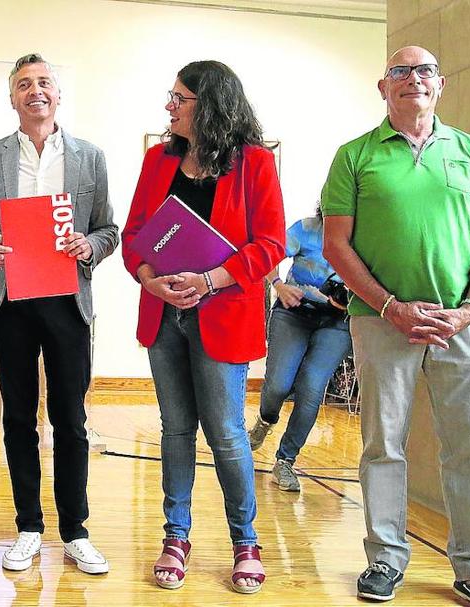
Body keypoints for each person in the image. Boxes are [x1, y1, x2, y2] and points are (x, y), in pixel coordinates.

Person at [322, 46, 470, 605]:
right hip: (381, 321)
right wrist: (390, 306)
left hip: (461, 323)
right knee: (382, 444)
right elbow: (336, 244)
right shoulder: (354, 156)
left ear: (440, 84)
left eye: (424, 71)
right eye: (400, 71)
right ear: (383, 87)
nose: (413, 79)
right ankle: (386, 559)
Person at [122, 60, 285, 593]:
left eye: (179, 98)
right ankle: (176, 536)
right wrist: (149, 279)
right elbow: (134, 235)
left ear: (209, 104)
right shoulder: (156, 160)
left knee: (226, 435)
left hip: (223, 316)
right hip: (165, 316)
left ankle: (245, 541)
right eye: (170, 97)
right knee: (174, 430)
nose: (169, 106)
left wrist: (212, 279)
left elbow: (270, 245)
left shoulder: (255, 163)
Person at [0, 53, 118, 575]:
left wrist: (90, 246)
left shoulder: (89, 157)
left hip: (67, 302)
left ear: (58, 94)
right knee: (17, 418)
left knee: (70, 419)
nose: (34, 91)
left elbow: (109, 229)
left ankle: (75, 531)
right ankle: (28, 526)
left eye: (43, 83)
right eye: (23, 85)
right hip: (10, 301)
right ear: (12, 98)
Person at [247, 209, 352, 492]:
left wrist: (353, 300)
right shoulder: (307, 228)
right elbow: (270, 254)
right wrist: (278, 286)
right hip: (292, 313)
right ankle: (265, 420)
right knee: (279, 385)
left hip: (337, 322)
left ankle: (285, 461)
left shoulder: (368, 237)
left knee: (312, 387)